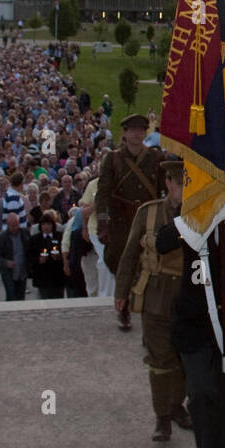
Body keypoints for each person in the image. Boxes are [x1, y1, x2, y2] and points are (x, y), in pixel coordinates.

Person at [157, 153, 225, 448]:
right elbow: (161, 242)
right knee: (200, 394)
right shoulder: (196, 216)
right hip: (195, 322)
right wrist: (198, 217)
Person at [115, 158, 191, 443]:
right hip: (156, 297)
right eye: (179, 184)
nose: (183, 189)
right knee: (160, 360)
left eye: (188, 184)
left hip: (188, 297)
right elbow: (130, 254)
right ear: (168, 183)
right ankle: (162, 418)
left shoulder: (199, 214)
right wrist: (121, 292)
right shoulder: (147, 214)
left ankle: (176, 406)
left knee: (185, 359)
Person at [96, 113, 164, 331]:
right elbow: (103, 194)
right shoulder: (113, 159)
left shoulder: (155, 157)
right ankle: (123, 308)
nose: (137, 133)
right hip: (121, 222)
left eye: (141, 130)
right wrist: (103, 223)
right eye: (132, 130)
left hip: (148, 221)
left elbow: (164, 189)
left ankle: (147, 313)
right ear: (124, 133)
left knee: (149, 266)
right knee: (122, 266)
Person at [27, 210, 66, 299]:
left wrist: (58, 257)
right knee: (44, 298)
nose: (46, 227)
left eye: (48, 224)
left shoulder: (60, 236)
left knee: (58, 298)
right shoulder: (35, 239)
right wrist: (39, 259)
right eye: (44, 224)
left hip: (57, 275)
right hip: (42, 276)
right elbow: (29, 255)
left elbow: (65, 251)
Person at [0, 212, 29, 301]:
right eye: (12, 225)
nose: (14, 228)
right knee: (11, 296)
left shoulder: (25, 233)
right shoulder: (1, 237)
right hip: (8, 273)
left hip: (22, 271)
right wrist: (5, 262)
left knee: (21, 297)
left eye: (16, 225)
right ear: (7, 225)